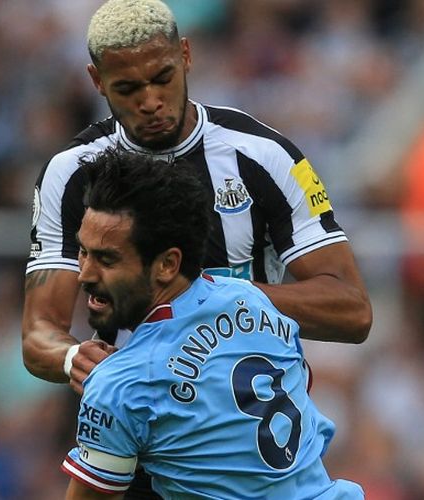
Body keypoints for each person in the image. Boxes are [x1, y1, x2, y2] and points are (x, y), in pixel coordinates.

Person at [22, 0, 372, 496]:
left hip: (248, 449)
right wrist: (73, 357)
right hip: (134, 437)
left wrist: (214, 299)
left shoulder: (265, 157)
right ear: (97, 81)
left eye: (162, 78)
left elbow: (353, 311)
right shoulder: (71, 174)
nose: (149, 100)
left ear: (185, 55)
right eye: (127, 88)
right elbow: (38, 332)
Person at [60, 148, 364, 499]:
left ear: (167, 265)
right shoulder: (254, 301)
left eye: (107, 259)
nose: (84, 273)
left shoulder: (120, 386)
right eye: (82, 251)